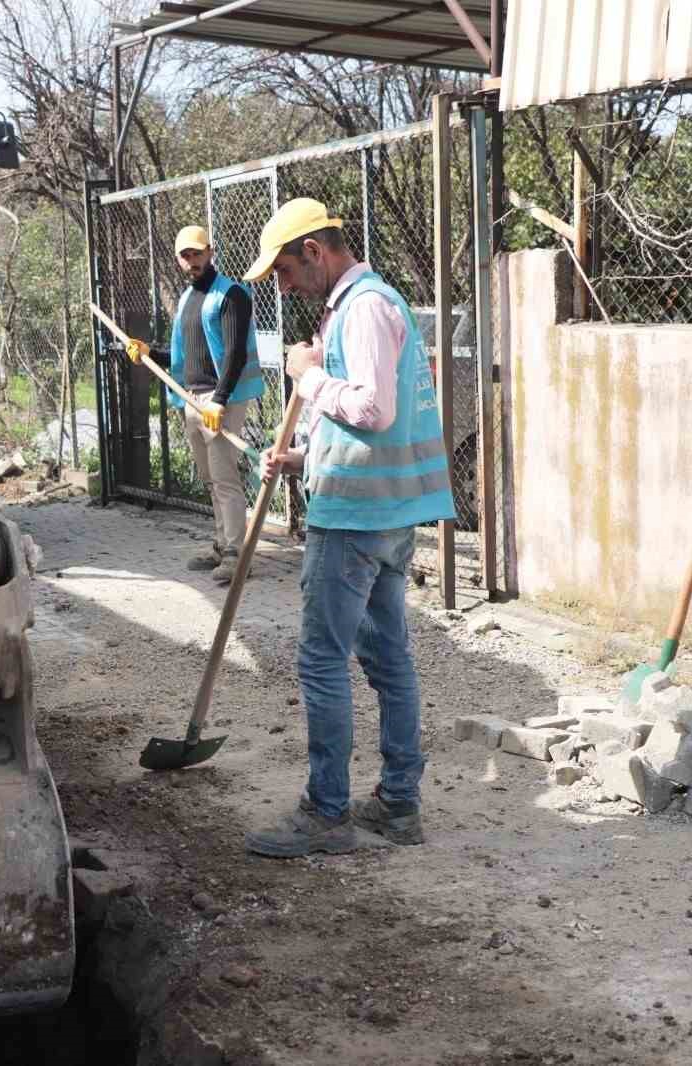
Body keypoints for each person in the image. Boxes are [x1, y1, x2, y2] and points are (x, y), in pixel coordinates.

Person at [238, 198, 456, 858]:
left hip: (355, 520)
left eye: (282, 269)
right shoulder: (372, 302)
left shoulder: (361, 308)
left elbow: (371, 408)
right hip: (388, 512)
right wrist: (305, 456)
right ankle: (397, 805)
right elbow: (374, 426)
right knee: (390, 661)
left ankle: (326, 812)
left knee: (322, 660)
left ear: (315, 250)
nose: (282, 285)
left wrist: (307, 381)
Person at [162, 224, 265, 585]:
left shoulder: (231, 294)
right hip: (191, 397)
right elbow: (188, 351)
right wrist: (150, 353)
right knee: (209, 478)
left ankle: (238, 555)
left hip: (221, 399)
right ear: (179, 259)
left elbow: (235, 354)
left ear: (211, 252)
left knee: (225, 478)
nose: (192, 261)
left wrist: (219, 400)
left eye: (198, 253)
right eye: (186, 255)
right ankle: (221, 545)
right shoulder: (188, 297)